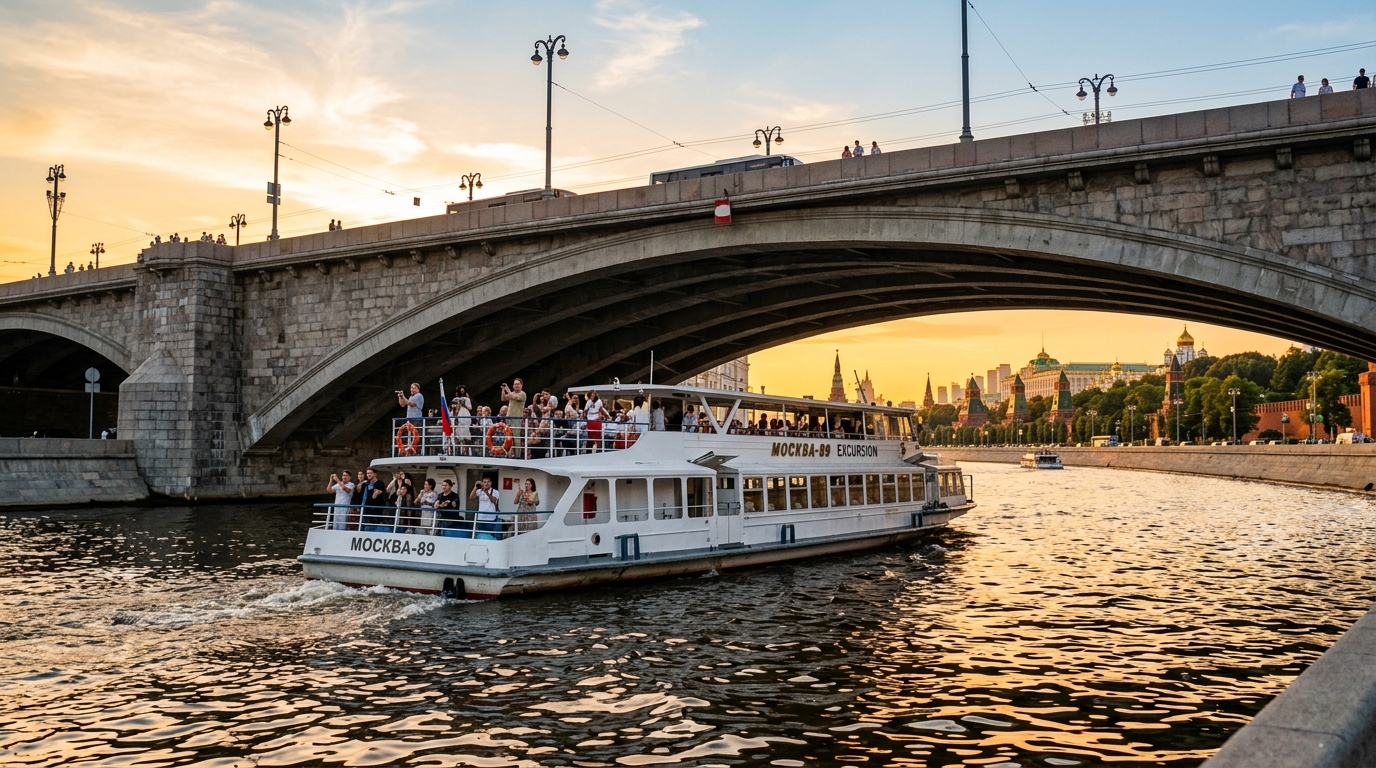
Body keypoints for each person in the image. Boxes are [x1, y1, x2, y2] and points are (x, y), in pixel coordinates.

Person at [501, 379, 528, 452]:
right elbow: (503, 398)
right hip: (509, 417)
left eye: (518, 384)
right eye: (515, 384)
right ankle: (510, 453)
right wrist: (503, 390)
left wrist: (508, 390)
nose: (516, 385)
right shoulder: (511, 393)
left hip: (517, 418)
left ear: (521, 385)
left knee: (516, 437)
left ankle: (517, 454)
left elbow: (515, 398)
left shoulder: (522, 394)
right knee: (509, 437)